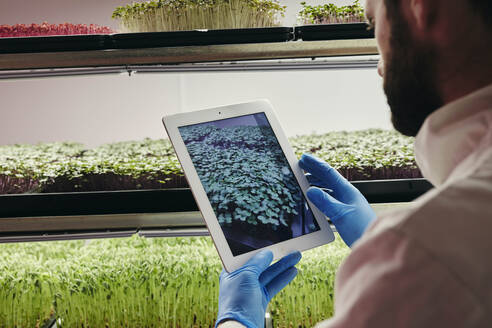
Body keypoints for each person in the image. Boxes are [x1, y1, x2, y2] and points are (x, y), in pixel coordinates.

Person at [214, 0, 492, 327]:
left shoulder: (427, 258)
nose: (379, 65)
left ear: (420, 7)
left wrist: (235, 322)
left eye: (373, 26)